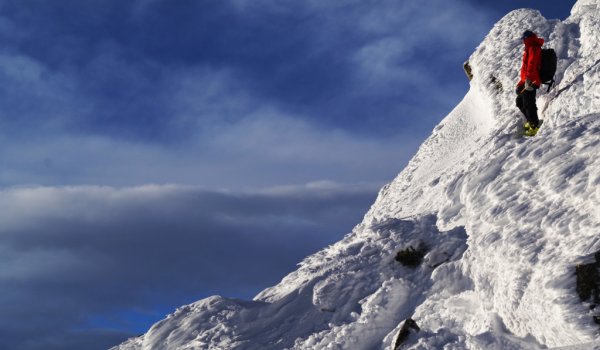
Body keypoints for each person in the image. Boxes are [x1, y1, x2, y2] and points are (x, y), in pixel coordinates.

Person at [516, 30, 544, 136]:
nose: (523, 41)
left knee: (529, 102)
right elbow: (525, 69)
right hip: (527, 80)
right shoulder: (529, 48)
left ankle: (534, 125)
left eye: (523, 39)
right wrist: (520, 83)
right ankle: (530, 120)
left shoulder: (533, 47)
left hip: (532, 80)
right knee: (519, 101)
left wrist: (528, 79)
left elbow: (532, 64)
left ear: (527, 38)